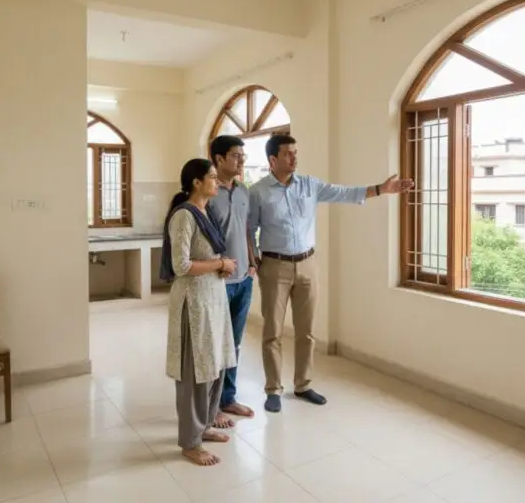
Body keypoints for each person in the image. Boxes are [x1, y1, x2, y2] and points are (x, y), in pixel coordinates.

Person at [248, 134, 414, 413]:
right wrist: (254, 260)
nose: (294, 157)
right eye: (288, 153)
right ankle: (273, 389)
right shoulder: (257, 192)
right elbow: (249, 229)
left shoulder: (309, 185)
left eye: (296, 152)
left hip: (308, 264)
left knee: (306, 331)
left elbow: (344, 193)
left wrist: (381, 189)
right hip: (274, 266)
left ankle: (303, 385)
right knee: (272, 332)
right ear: (273, 159)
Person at [159, 158, 238, 466]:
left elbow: (210, 254)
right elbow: (181, 265)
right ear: (196, 182)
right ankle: (191, 443)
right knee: (194, 374)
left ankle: (205, 425)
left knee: (215, 365)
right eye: (212, 177)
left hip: (213, 299)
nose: (217, 181)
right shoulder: (184, 216)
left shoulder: (206, 212)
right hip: (193, 303)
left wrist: (222, 265)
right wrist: (220, 264)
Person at [207, 135, 257, 427]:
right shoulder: (208, 191)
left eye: (242, 156)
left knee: (234, 343)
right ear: (219, 159)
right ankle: (211, 406)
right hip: (218, 281)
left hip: (244, 280)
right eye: (236, 155)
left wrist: (252, 259)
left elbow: (246, 229)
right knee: (216, 345)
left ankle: (227, 398)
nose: (241, 161)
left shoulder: (243, 191)